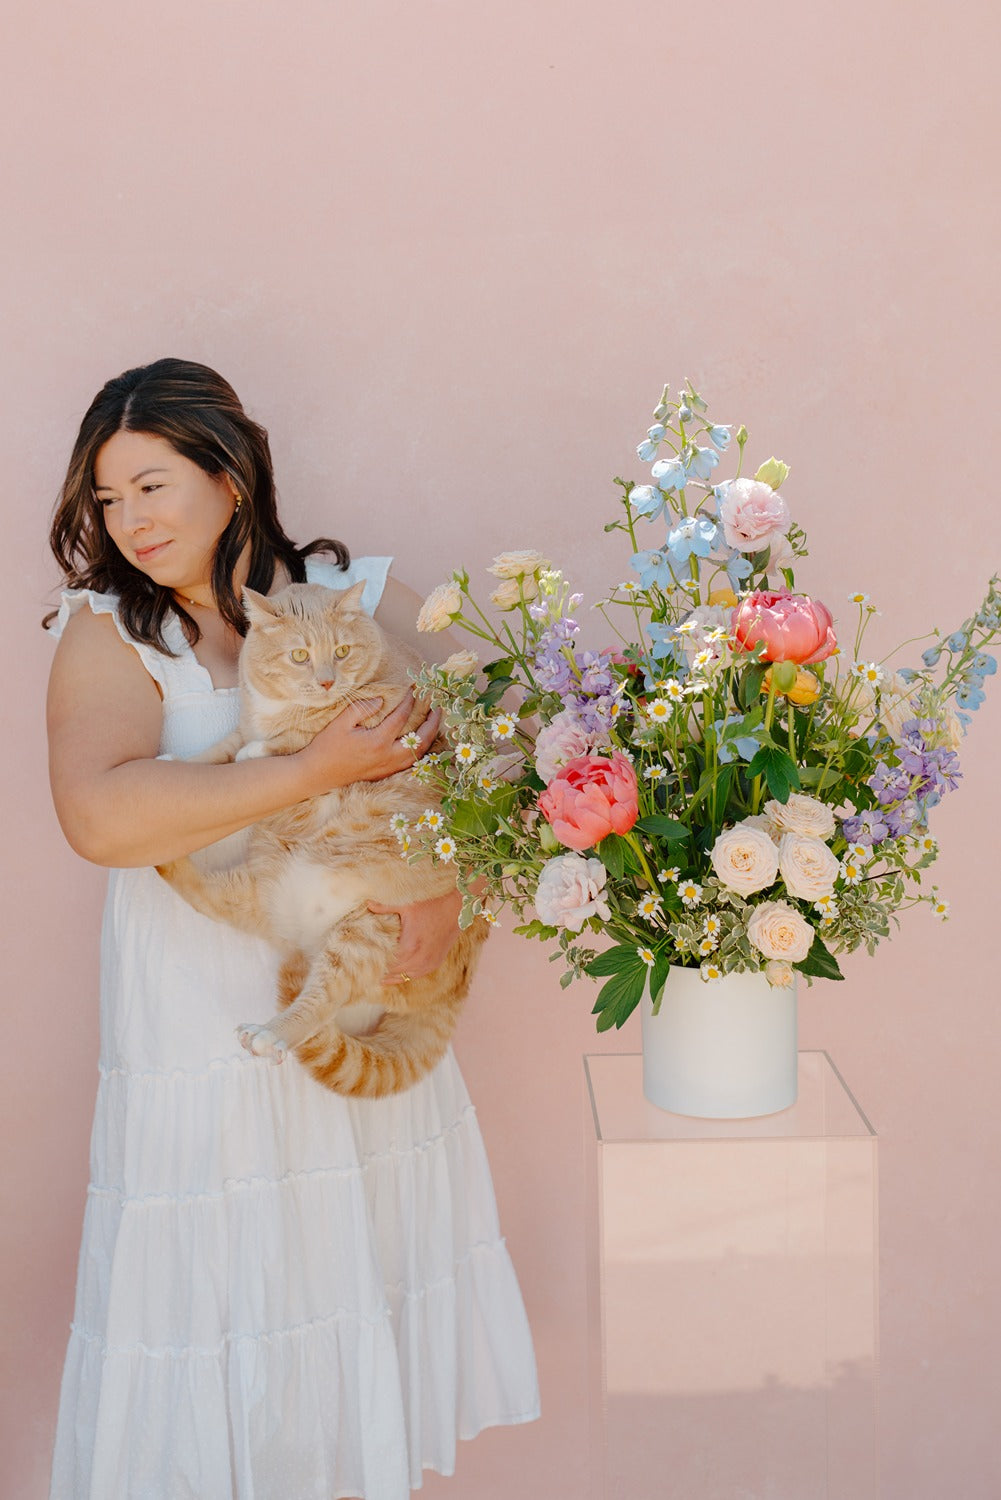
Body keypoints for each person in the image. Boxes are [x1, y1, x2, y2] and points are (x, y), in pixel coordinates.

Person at [44, 358, 539, 1500]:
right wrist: (315, 767)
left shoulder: (350, 594)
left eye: (153, 486)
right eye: (110, 501)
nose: (132, 523)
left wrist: (447, 886)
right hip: (202, 1011)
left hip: (357, 994)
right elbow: (101, 814)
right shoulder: (115, 632)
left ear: (229, 474)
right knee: (223, 1287)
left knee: (347, 1257)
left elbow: (492, 751)